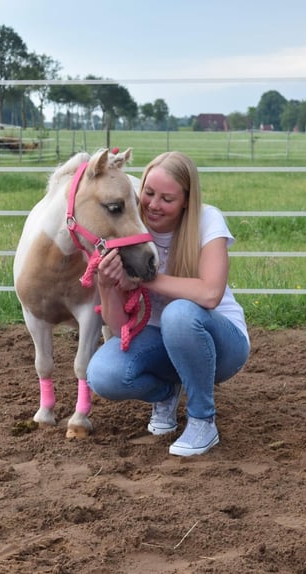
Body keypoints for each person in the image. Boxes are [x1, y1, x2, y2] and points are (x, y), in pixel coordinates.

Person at [86, 151, 250, 456]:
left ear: (187, 200)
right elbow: (121, 326)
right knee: (103, 374)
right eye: (148, 193)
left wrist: (143, 279)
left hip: (221, 343)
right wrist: (106, 285)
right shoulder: (129, 228)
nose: (153, 205)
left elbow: (211, 294)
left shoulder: (207, 219)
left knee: (179, 313)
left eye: (167, 198)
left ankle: (203, 420)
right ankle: (165, 394)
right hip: (160, 341)